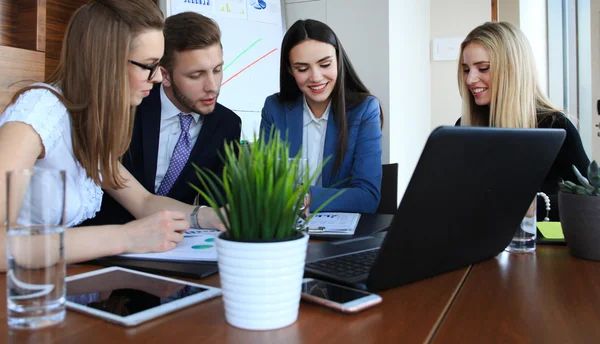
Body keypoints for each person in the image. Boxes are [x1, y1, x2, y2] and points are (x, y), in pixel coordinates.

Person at [0, 0, 224, 272]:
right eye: (148, 66)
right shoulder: (36, 115)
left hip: (59, 287)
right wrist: (124, 237)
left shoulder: (84, 120)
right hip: (19, 300)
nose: (155, 79)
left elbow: (143, 202)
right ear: (106, 61)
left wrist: (213, 217)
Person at [84, 12, 241, 226]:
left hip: (175, 244)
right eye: (196, 75)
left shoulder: (227, 124)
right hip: (104, 240)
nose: (212, 86)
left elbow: (217, 207)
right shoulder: (128, 106)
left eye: (217, 70)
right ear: (164, 75)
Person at [456, 21, 590, 220]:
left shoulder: (555, 126)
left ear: (512, 70)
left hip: (533, 245)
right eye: (466, 69)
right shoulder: (463, 127)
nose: (469, 79)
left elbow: (590, 201)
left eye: (483, 68)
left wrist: (536, 206)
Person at [260, 19, 383, 214]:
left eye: (325, 64)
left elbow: (367, 197)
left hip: (340, 237)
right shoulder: (274, 109)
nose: (316, 77)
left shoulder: (365, 110)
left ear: (338, 60)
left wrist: (304, 196)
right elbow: (265, 186)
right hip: (286, 231)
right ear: (290, 70)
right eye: (302, 69)